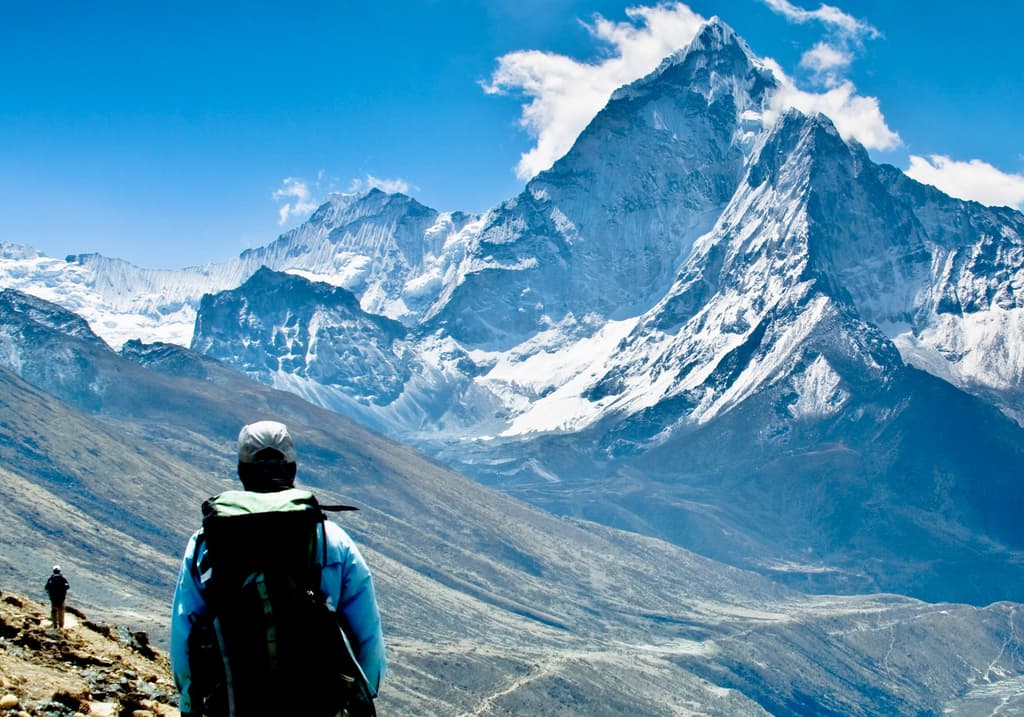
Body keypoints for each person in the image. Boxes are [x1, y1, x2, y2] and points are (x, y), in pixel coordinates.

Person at [170, 420, 386, 716]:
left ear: (241, 470)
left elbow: (186, 627)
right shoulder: (329, 539)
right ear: (292, 468)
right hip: (317, 703)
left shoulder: (206, 542)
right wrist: (363, 696)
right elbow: (366, 634)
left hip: (232, 702)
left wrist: (189, 702)